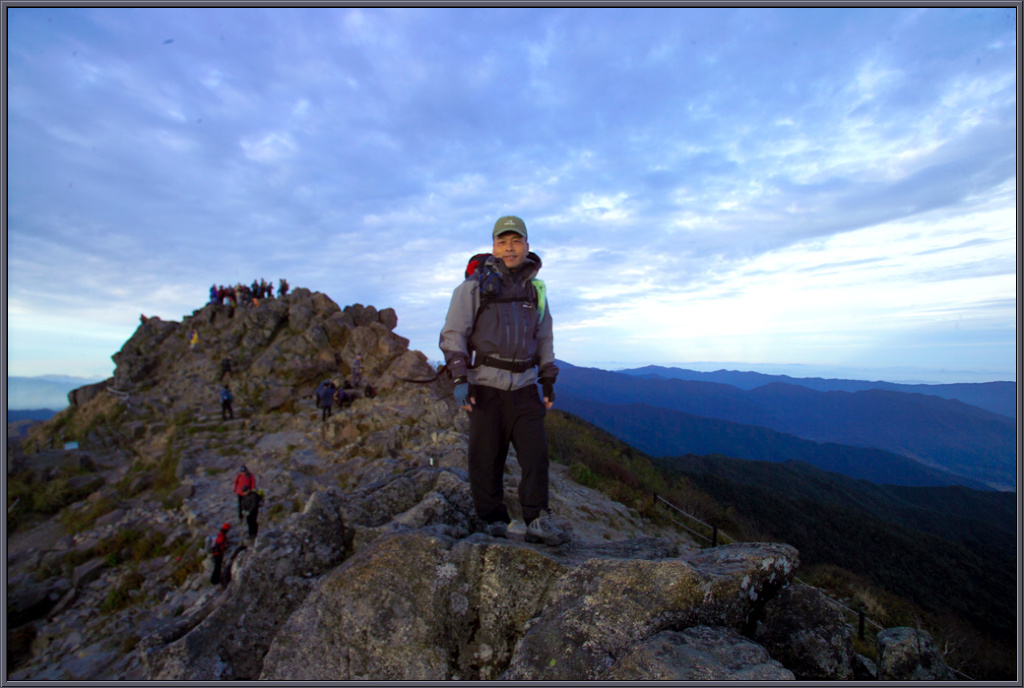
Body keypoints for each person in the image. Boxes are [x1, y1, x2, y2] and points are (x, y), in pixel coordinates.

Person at [439, 215, 567, 546]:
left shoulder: (534, 290)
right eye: (502, 242)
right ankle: (492, 521)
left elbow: (545, 336)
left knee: (535, 455)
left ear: (527, 246)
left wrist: (548, 378)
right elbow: (454, 333)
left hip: (525, 385)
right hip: (484, 385)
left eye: (516, 242)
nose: (509, 248)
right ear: (493, 247)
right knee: (485, 457)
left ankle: (537, 519)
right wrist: (459, 378)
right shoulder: (474, 287)